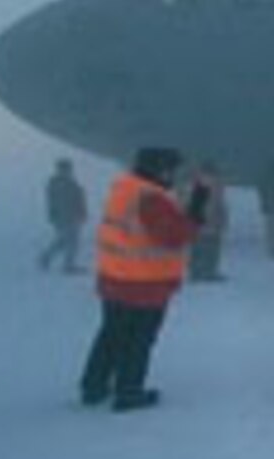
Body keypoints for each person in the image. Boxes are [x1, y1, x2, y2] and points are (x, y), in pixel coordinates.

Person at [78, 146, 210, 412]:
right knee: (138, 341)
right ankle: (129, 392)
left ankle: (93, 387)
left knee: (111, 335)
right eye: (171, 170)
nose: (174, 176)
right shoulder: (151, 198)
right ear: (159, 170)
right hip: (143, 284)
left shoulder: (125, 188)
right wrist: (198, 203)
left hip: (115, 278)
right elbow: (175, 236)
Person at [38, 157, 88, 273]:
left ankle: (46, 258)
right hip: (64, 217)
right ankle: (67, 265)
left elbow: (79, 199)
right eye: (65, 169)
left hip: (71, 216)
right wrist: (53, 215)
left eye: (68, 169)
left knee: (64, 241)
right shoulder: (57, 183)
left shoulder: (70, 183)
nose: (67, 171)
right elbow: (52, 201)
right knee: (71, 241)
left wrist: (82, 212)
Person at [187, 159, 229, 282]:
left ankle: (198, 272)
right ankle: (207, 272)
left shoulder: (195, 182)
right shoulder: (214, 184)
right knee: (210, 248)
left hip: (199, 223)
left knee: (199, 248)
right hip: (209, 222)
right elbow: (217, 204)